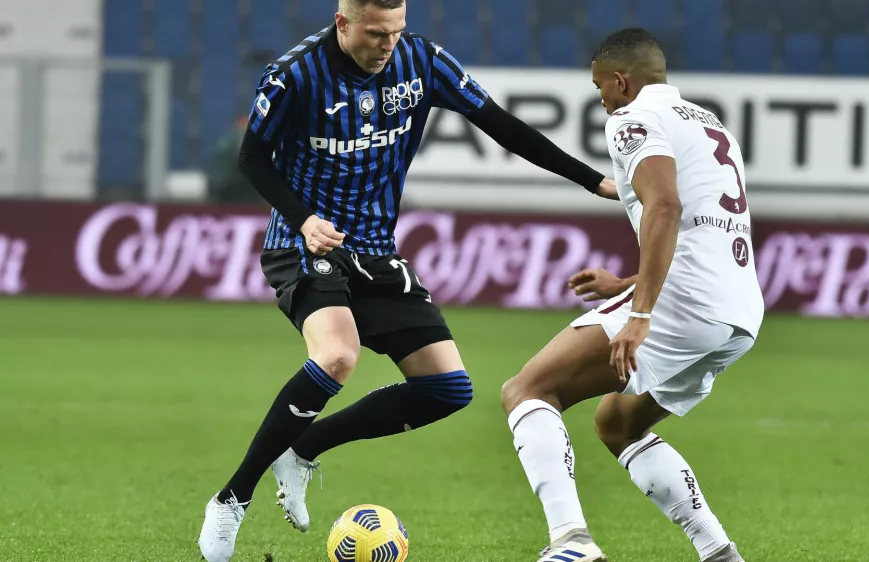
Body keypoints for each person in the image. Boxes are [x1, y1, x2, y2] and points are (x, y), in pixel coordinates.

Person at [196, 1, 617, 560]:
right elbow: (253, 157)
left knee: (447, 390)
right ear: (343, 24)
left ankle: (304, 447)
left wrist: (593, 181)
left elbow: (500, 125)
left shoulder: (421, 60)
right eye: (375, 34)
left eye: (395, 32)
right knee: (337, 357)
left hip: (373, 250)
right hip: (304, 243)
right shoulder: (295, 73)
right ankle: (231, 499)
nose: (387, 44)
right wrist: (303, 218)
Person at [499, 28, 765, 562]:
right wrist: (626, 285)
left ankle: (571, 543)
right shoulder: (709, 123)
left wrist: (639, 312)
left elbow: (664, 206)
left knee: (527, 390)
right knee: (617, 422)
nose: (600, 98)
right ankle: (718, 552)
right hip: (738, 311)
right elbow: (702, 228)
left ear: (621, 81)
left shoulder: (631, 118)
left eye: (600, 87)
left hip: (681, 303)